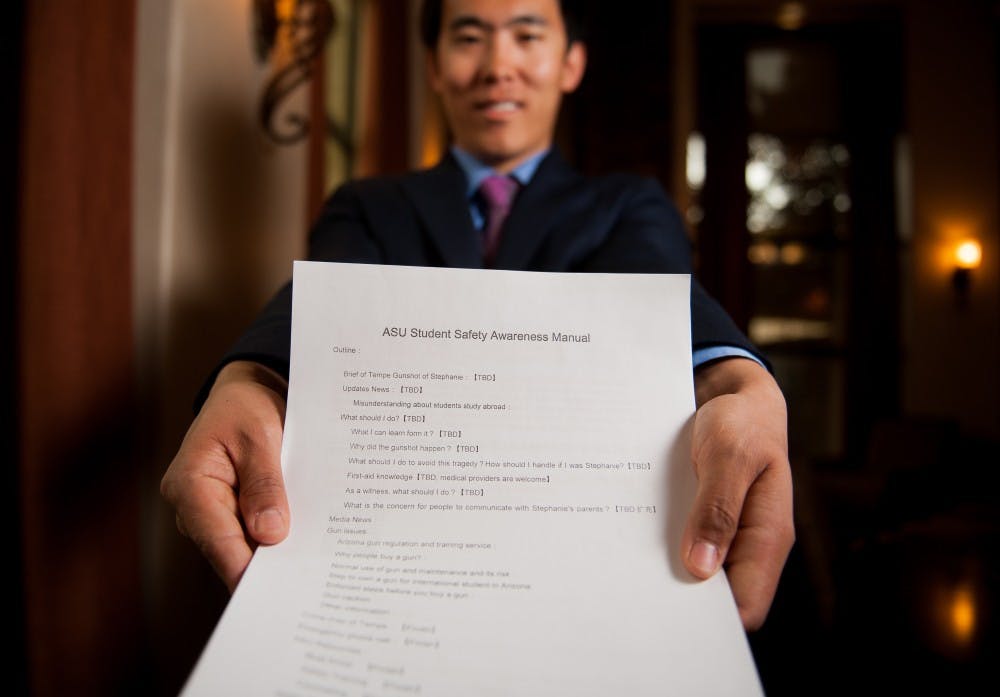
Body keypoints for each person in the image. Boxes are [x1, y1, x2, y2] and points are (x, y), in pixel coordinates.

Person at [161, 0, 794, 632]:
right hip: (395, 557)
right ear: (435, 67)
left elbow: (659, 304)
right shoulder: (368, 206)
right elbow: (320, 305)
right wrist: (251, 378)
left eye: (527, 36)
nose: (498, 66)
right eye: (469, 37)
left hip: (578, 558)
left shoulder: (627, 205)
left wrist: (735, 378)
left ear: (571, 64)